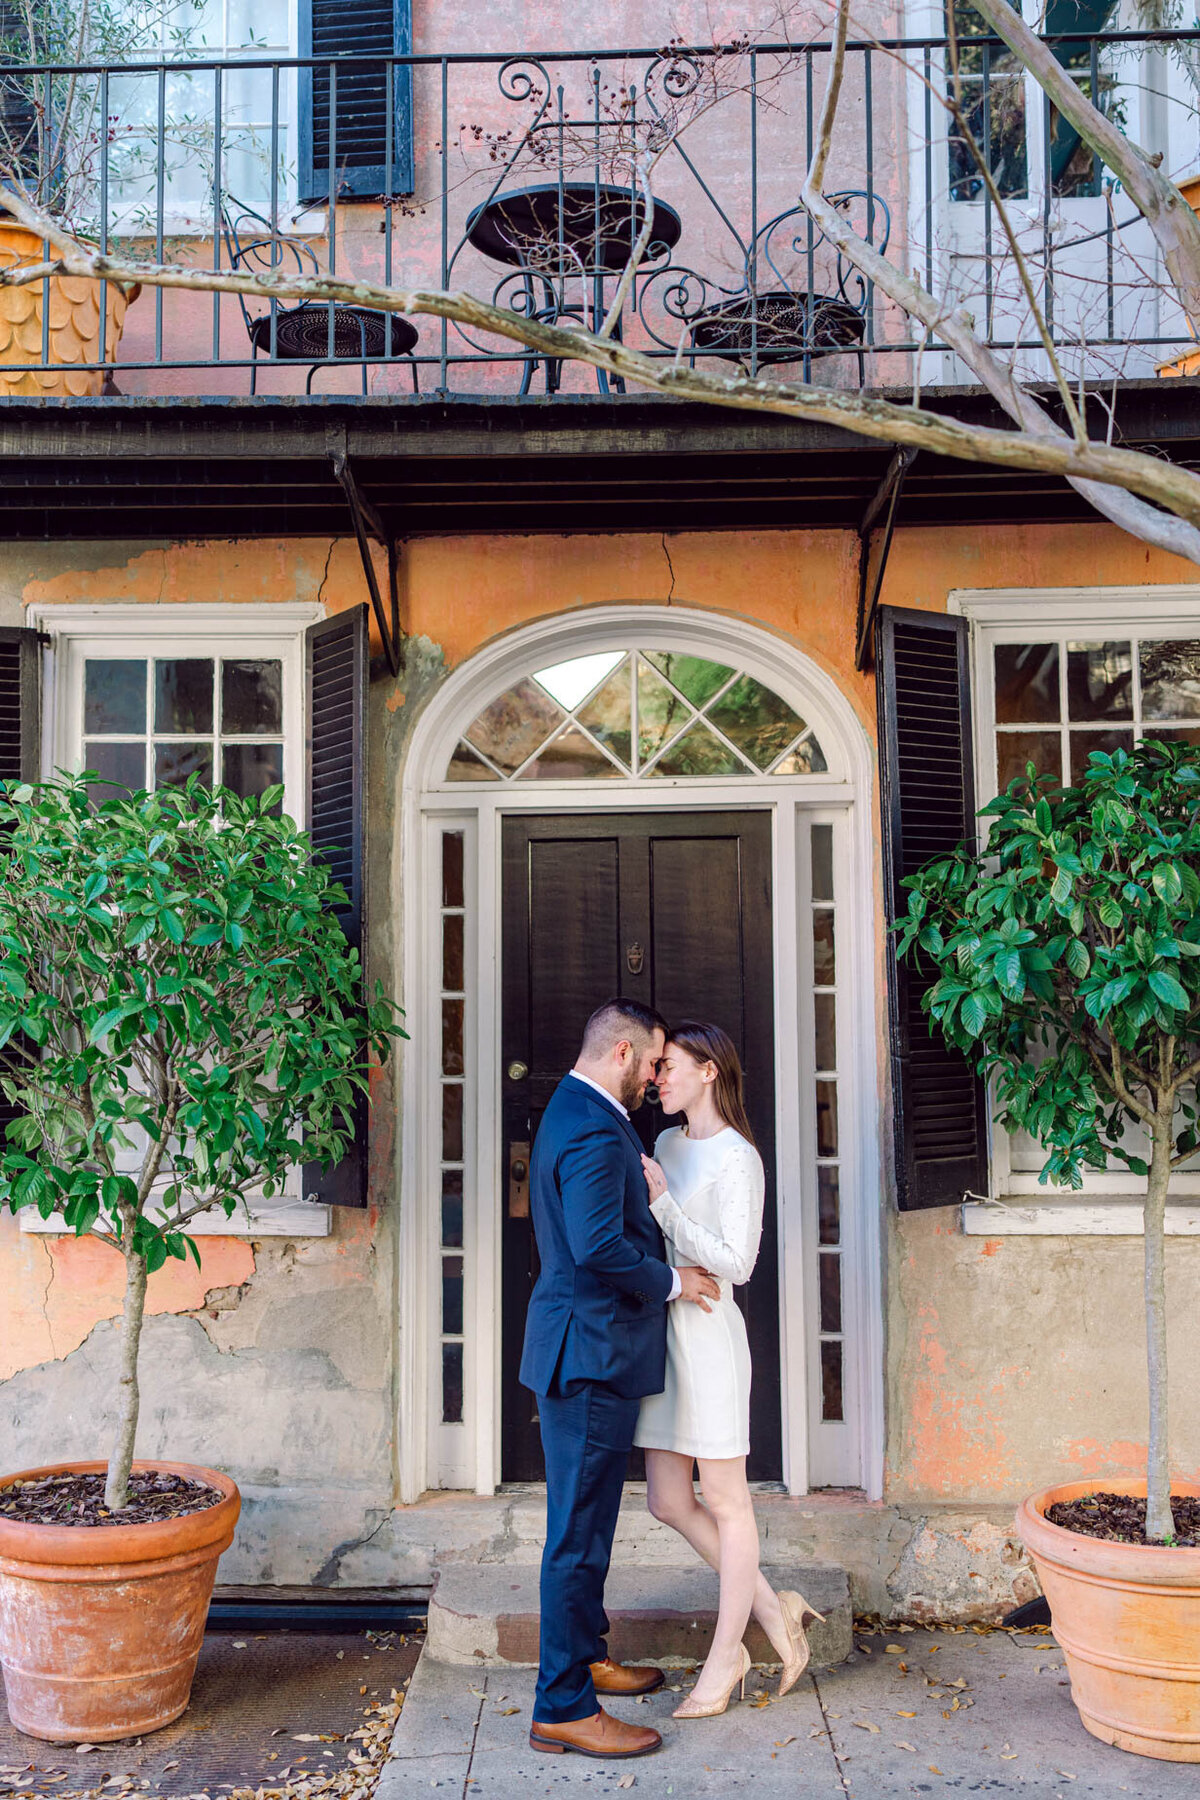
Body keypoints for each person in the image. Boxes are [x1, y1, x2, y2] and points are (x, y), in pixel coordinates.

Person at [521, 998, 722, 1761]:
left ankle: (587, 1657)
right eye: (653, 1061)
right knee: (575, 1534)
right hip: (589, 1355)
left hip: (584, 1348)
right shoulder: (594, 1127)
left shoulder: (576, 1110)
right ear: (622, 1055)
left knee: (590, 1524)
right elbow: (600, 1245)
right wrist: (675, 1282)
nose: (655, 1076)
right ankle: (562, 1705)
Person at [636, 1021, 825, 1718]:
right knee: (665, 1498)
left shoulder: (739, 1158)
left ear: (709, 1071)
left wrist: (665, 1207)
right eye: (656, 1070)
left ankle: (726, 1657)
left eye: (671, 1068)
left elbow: (737, 1264)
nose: (658, 1079)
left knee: (725, 1499)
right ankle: (778, 1613)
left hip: (710, 1334)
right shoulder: (662, 1143)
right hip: (665, 1332)